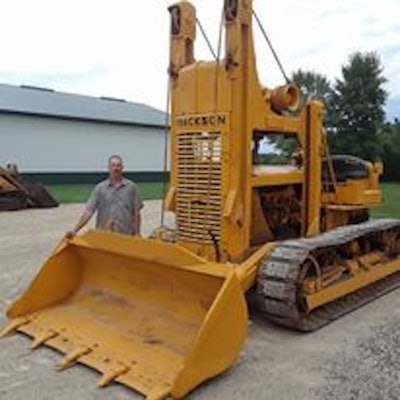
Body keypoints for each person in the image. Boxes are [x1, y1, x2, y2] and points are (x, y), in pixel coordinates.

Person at [66, 155, 143, 238]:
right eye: (113, 165)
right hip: (104, 235)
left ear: (122, 167)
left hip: (125, 235)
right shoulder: (100, 188)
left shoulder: (132, 187)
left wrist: (137, 233)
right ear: (109, 168)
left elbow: (136, 212)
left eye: (118, 165)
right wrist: (75, 230)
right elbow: (89, 211)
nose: (116, 168)